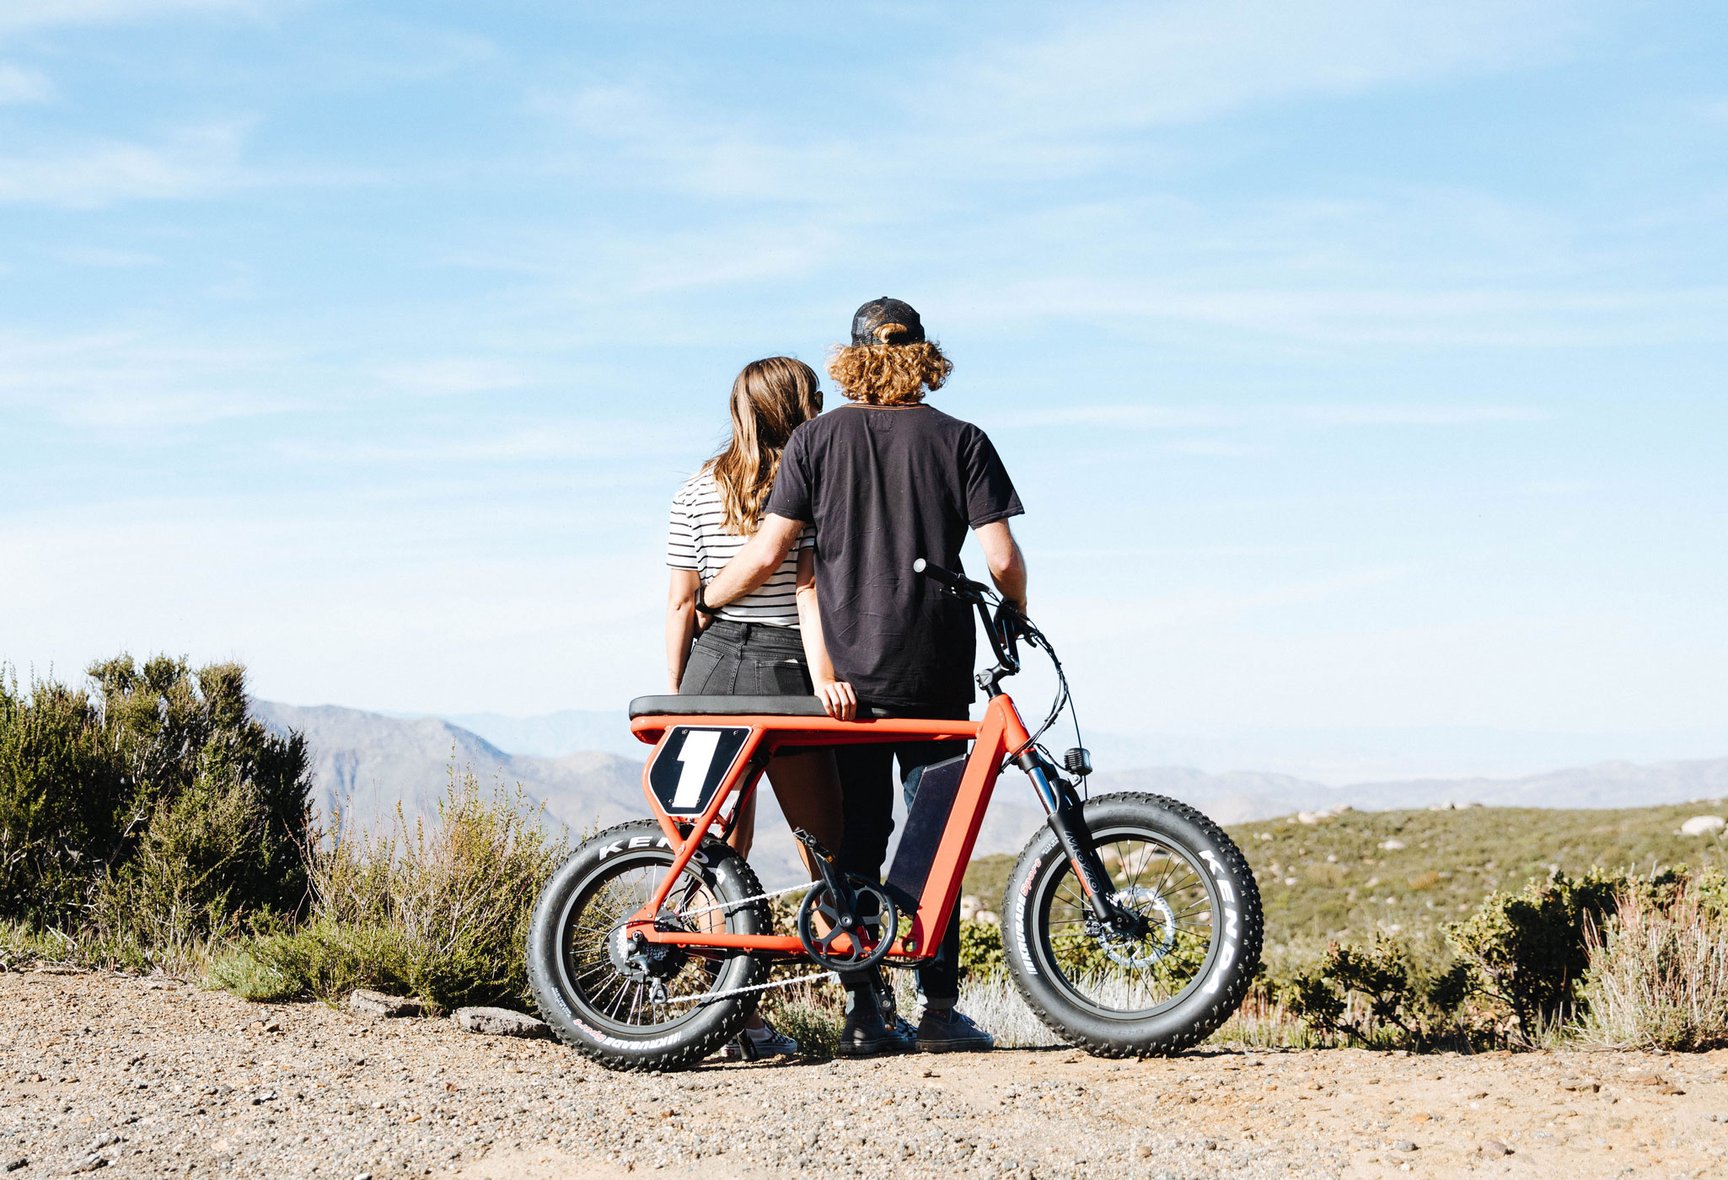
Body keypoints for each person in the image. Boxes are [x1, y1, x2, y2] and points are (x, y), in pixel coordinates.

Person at [701, 298, 1027, 1056]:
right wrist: (1014, 610)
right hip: (936, 675)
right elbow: (1003, 558)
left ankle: (864, 1015)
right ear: (923, 356)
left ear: (851, 360)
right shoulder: (964, 441)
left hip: (843, 682)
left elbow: (771, 552)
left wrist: (704, 602)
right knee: (937, 838)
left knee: (856, 847)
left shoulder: (817, 439)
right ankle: (940, 1011)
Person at [664, 355, 856, 1061]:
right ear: (797, 405)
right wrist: (826, 677)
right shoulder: (809, 486)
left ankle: (734, 1022)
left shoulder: (692, 490)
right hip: (783, 670)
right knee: (826, 846)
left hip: (711, 668)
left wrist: (678, 691)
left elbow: (682, 602)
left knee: (718, 851)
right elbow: (807, 593)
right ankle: (864, 1006)